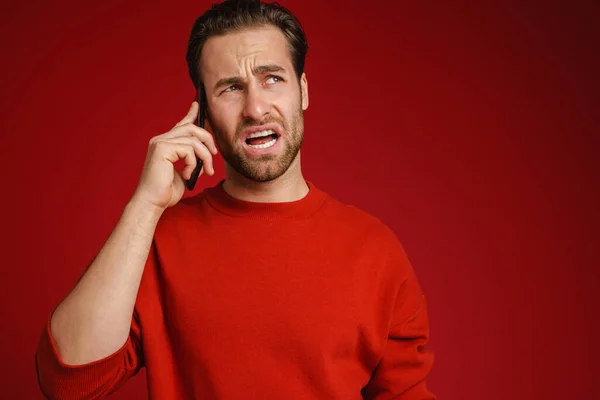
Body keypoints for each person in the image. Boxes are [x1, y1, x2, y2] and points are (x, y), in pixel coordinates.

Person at [35, 0, 436, 398]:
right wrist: (145, 206)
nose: (256, 108)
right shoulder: (157, 240)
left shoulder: (376, 250)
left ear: (303, 91)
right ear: (203, 115)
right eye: (230, 88)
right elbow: (68, 383)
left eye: (272, 79)